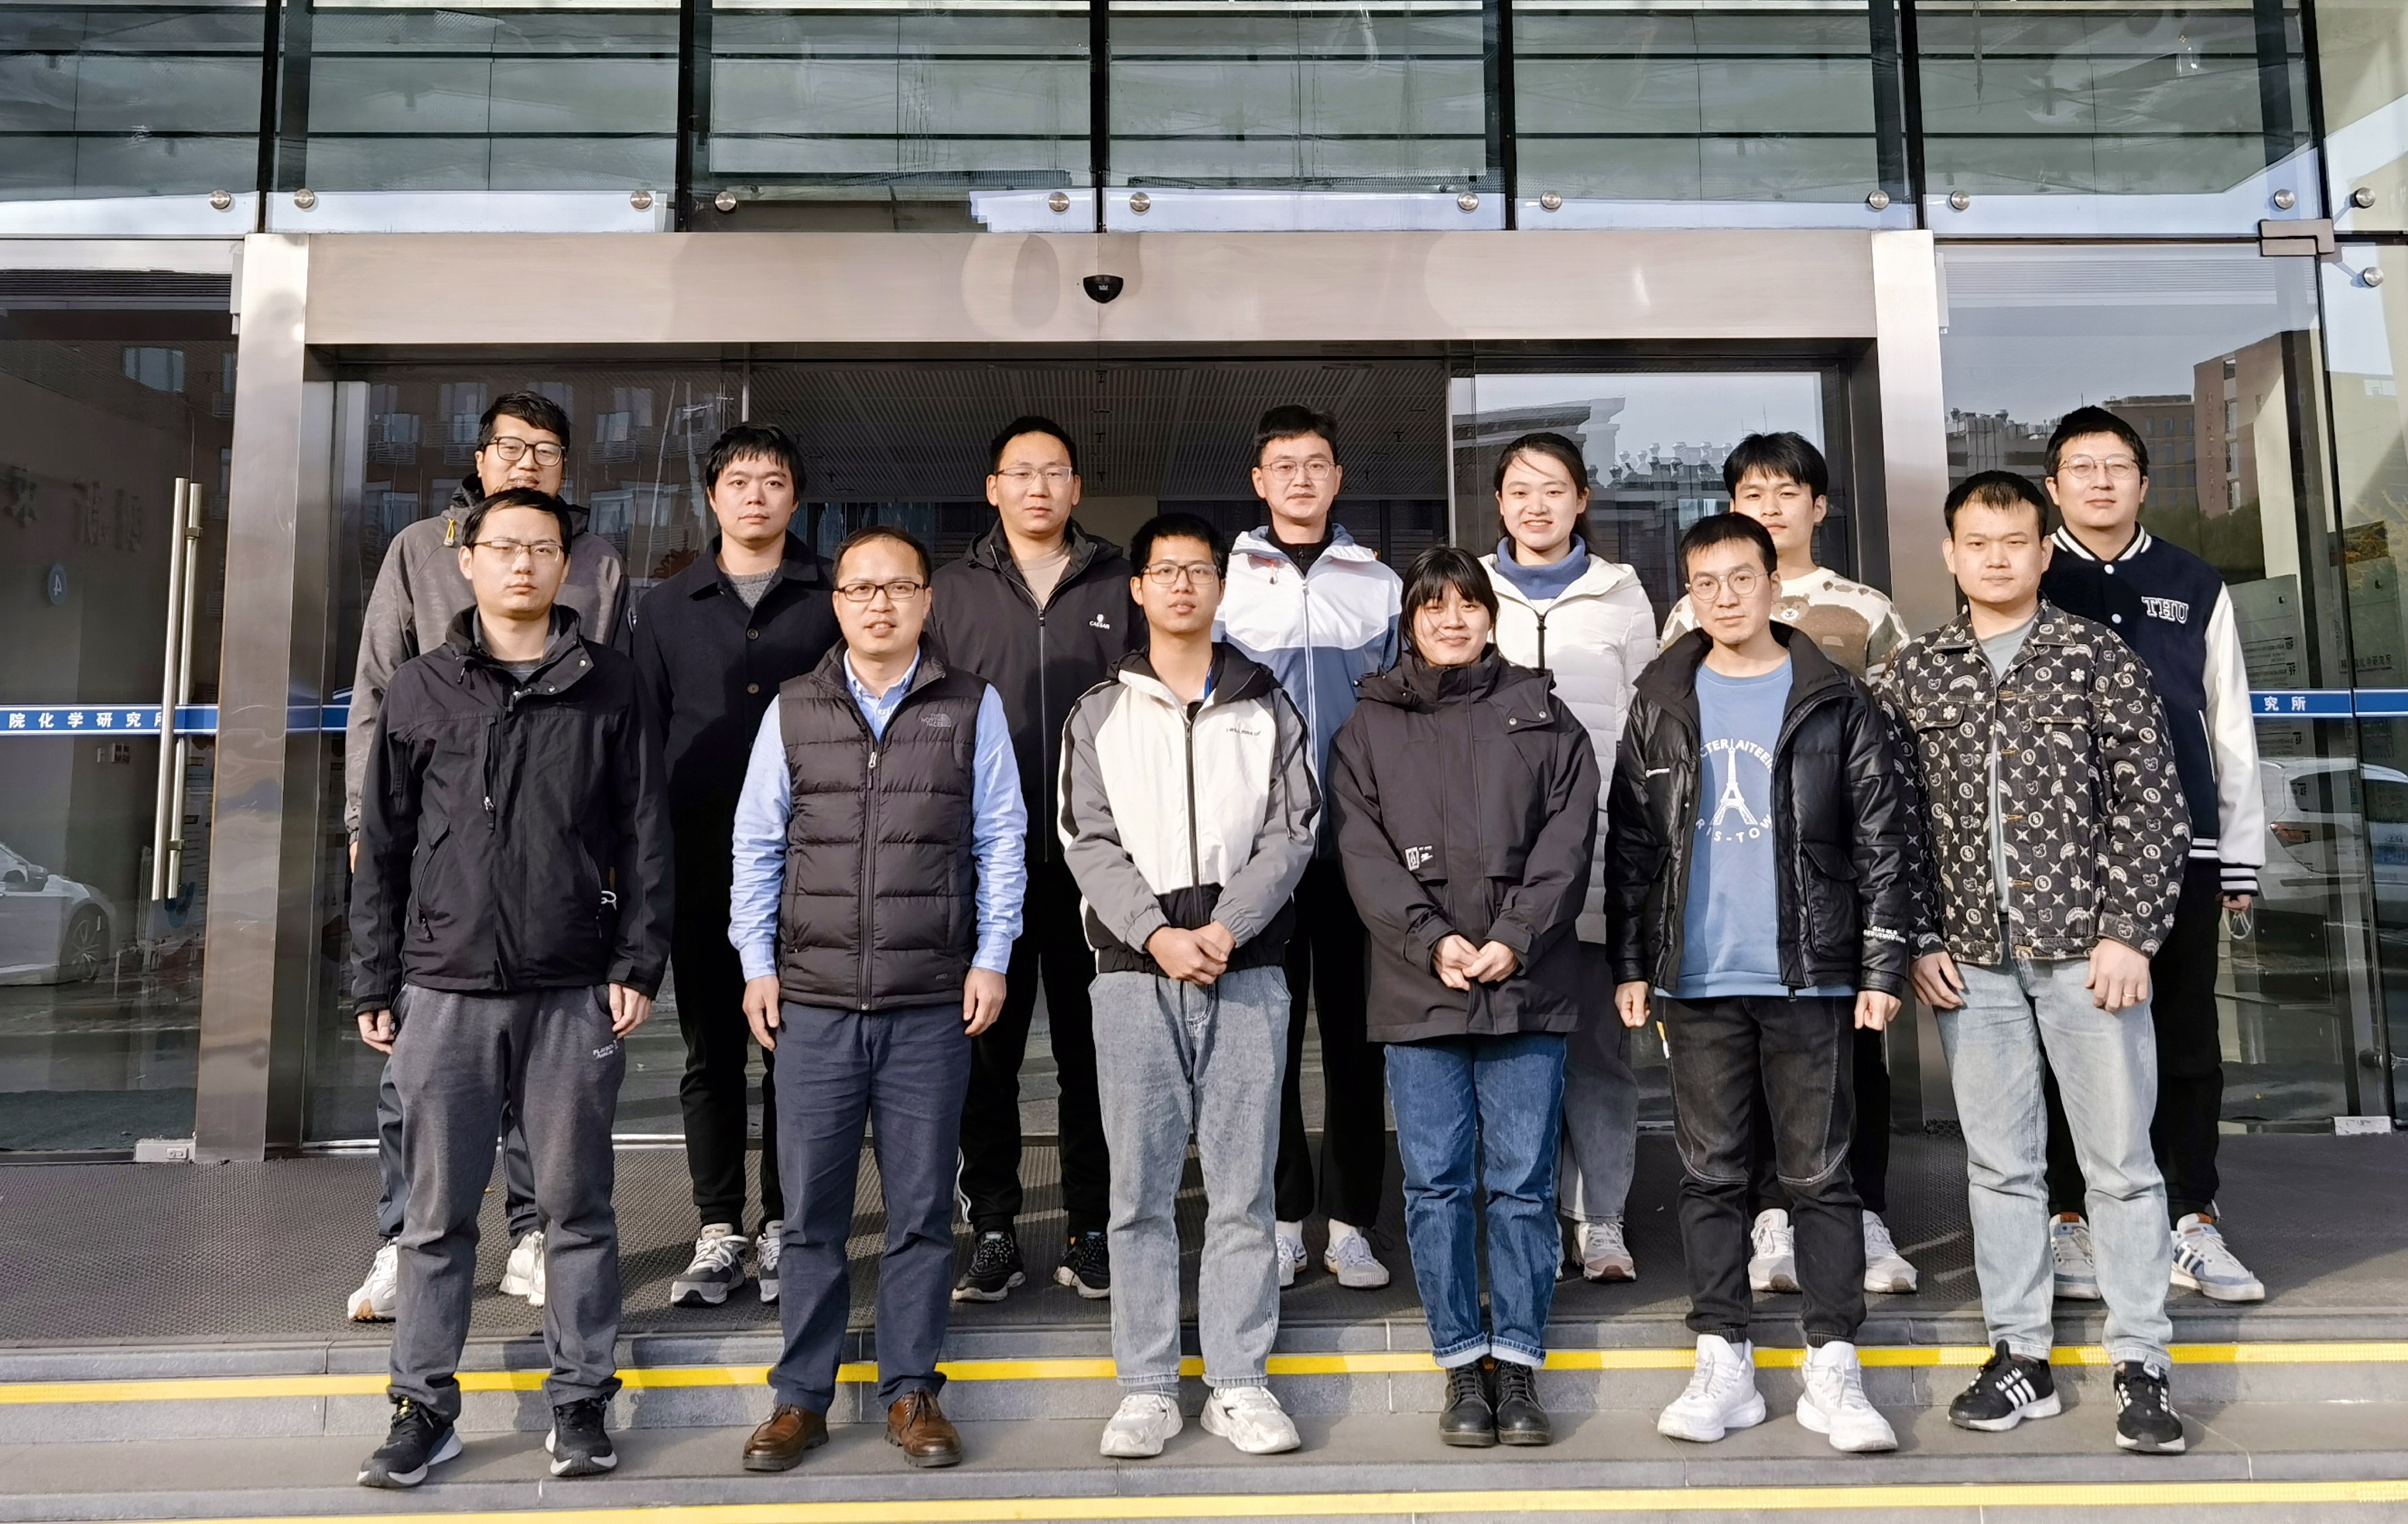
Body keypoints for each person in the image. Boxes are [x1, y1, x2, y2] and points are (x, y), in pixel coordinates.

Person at [349, 488, 671, 1488]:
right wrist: (374, 974)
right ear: (470, 560)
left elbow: (645, 835)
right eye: (504, 547)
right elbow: (383, 844)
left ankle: (580, 1402)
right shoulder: (421, 686)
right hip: (443, 985)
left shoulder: (610, 684)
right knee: (435, 1216)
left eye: (542, 548)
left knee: (576, 1207)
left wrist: (636, 962)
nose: (522, 564)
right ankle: (422, 1407)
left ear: (566, 564)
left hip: (570, 985)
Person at [1887, 471, 2189, 1455]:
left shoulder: (2094, 656)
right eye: (1977, 542)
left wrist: (2130, 931)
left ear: (2042, 549)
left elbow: (2153, 800)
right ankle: (2020, 1354)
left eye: (2013, 540)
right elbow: (1891, 825)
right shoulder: (1913, 673)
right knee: (1999, 1167)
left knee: (2121, 1167)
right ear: (1950, 553)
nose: (1996, 558)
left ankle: (2141, 1362)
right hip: (1971, 963)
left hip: (2087, 955)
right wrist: (1918, 938)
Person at [1609, 513, 1910, 1456]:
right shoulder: (1660, 697)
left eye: (1741, 577)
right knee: (1710, 1176)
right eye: (1705, 582)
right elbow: (1632, 844)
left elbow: (1881, 838)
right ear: (1688, 594)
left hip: (1809, 975)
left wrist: (1880, 964)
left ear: (1774, 586)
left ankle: (1832, 1364)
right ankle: (1722, 1358)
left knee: (1820, 1177)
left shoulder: (1834, 696)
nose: (1725, 596)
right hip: (1696, 979)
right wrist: (1631, 963)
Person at [730, 526, 1026, 1474]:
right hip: (813, 1003)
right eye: (861, 589)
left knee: (921, 1212)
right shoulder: (793, 708)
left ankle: (910, 1390)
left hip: (928, 1002)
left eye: (898, 588)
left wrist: (991, 956)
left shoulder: (970, 704)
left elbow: (1001, 839)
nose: (879, 604)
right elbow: (757, 844)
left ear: (926, 601)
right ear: (838, 603)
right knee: (811, 1214)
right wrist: (756, 962)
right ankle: (799, 1398)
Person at [342, 390, 629, 1325]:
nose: (527, 460)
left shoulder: (594, 559)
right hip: (442, 839)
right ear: (480, 456)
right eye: (512, 445)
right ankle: (403, 1236)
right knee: (418, 1067)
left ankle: (534, 1232)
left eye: (546, 448)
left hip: (549, 845)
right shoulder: (418, 549)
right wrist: (364, 820)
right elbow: (377, 689)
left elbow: (610, 707)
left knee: (546, 1073)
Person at [1058, 513, 1319, 1460]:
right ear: (1137, 588)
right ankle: (1146, 1386)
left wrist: (1225, 926)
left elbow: (1293, 829)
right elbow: (1085, 837)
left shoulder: (1266, 702)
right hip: (1134, 973)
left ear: (1220, 585)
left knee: (1243, 1190)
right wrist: (1159, 934)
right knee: (1138, 1192)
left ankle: (1239, 1382)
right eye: (1164, 571)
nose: (1180, 585)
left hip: (1247, 967)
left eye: (1197, 570)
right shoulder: (1099, 710)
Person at [1330, 547, 1598, 1450]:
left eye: (1467, 605)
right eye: (1432, 607)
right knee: (1436, 1183)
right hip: (1420, 983)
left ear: (1491, 615)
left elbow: (1567, 844)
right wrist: (1431, 938)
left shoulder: (1545, 715)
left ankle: (1516, 1361)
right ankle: (1458, 1362)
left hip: (1525, 979)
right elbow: (1362, 853)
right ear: (1409, 622)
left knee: (1521, 1182)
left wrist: (1513, 936)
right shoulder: (1368, 726)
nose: (1452, 620)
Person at [1661, 431, 1920, 1299]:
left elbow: (1893, 751)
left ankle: (1862, 1212)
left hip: (1830, 881)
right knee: (1744, 1068)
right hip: (1730, 881)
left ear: (1819, 505)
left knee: (1852, 1063)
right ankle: (1771, 1215)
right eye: (1751, 494)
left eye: (1785, 492)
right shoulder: (1692, 611)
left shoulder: (1864, 610)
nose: (1768, 507)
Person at [2036, 406, 2268, 1306]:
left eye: (2116, 466)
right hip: (2062, 854)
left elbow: (2229, 722)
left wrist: (2237, 857)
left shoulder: (2192, 581)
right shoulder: (2031, 571)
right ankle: (2069, 1215)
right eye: (2080, 466)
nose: (2099, 481)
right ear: (2053, 486)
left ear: (2142, 481)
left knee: (2184, 1038)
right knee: (2064, 1039)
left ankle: (2190, 1216)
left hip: (2184, 850)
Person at [931, 416, 1137, 1305]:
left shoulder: (1121, 582)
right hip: (987, 863)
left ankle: (1091, 1226)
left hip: (1099, 862)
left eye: (1054, 471)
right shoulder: (949, 591)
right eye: (1021, 472)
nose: (1038, 486)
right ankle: (993, 1227)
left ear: (1076, 487)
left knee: (1095, 1057)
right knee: (986, 1056)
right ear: (993, 488)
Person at [632, 424, 840, 1310]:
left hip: (817, 862)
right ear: (712, 495)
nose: (756, 495)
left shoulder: (833, 595)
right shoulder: (665, 608)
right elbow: (643, 742)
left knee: (796, 1049)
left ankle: (786, 1219)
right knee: (711, 1051)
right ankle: (719, 1225)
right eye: (739, 481)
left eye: (774, 481)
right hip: (701, 859)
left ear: (796, 497)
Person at [1216, 404, 1402, 1292]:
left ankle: (1353, 1223)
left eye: (1316, 463)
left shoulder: (1379, 584)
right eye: (1283, 464)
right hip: (1265, 852)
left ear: (1337, 477)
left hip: (1362, 849)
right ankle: (1285, 1218)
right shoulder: (1223, 584)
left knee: (1360, 1042)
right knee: (1268, 1043)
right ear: (1259, 480)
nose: (1300, 477)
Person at [1478, 431, 1656, 1285]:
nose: (1536, 505)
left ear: (1582, 499)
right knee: (1517, 1056)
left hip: (1597, 855)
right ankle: (1536, 1215)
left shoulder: (1622, 595)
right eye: (1519, 490)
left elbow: (1648, 725)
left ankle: (1604, 1217)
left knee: (1597, 1050)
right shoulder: (1469, 590)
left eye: (1553, 489)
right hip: (1499, 865)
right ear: (1499, 503)